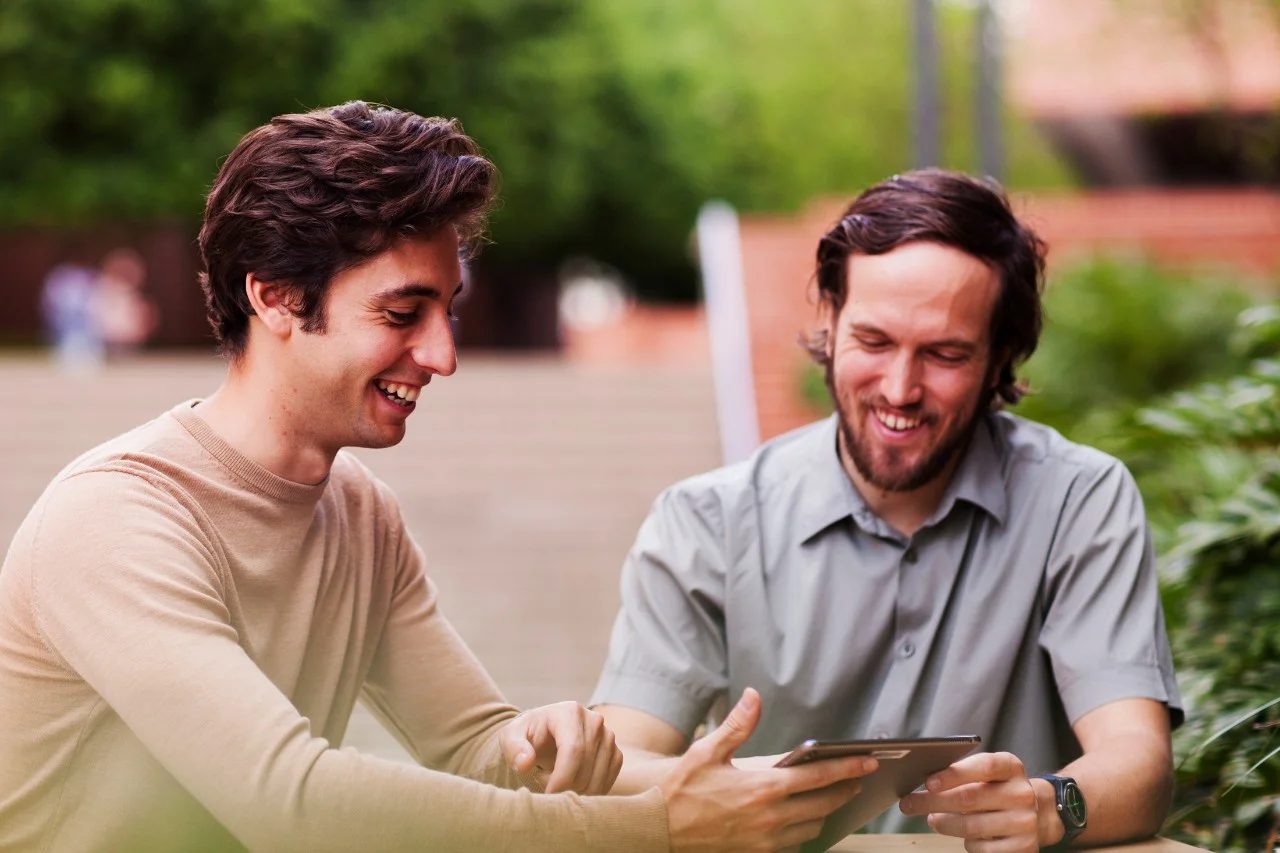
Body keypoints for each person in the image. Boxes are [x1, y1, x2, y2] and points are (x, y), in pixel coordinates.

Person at [0, 102, 877, 852]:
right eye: (401, 312)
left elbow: (477, 749)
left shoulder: (359, 514)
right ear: (273, 296)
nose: (443, 355)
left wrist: (767, 786)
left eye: (445, 310)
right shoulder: (116, 517)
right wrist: (657, 828)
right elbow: (290, 800)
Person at [591, 170, 1183, 851]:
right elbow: (621, 762)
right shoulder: (704, 523)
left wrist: (1053, 805)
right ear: (830, 320)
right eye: (873, 342)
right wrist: (704, 792)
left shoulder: (1080, 501)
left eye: (945, 354)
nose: (900, 389)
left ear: (999, 359)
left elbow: (1139, 762)